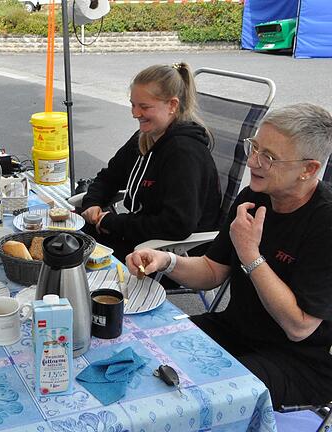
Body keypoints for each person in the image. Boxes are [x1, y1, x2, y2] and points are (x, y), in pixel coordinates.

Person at [126, 103, 332, 409]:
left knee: (198, 396)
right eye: (254, 147)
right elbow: (212, 270)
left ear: (309, 169)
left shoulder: (324, 222)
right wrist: (166, 260)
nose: (252, 161)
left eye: (269, 157)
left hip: (296, 361)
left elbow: (299, 326)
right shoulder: (254, 196)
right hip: (235, 330)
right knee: (147, 348)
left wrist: (250, 254)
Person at [78, 62, 221, 260]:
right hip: (141, 237)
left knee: (77, 256)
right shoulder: (145, 137)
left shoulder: (184, 153)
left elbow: (176, 224)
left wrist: (114, 223)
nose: (135, 114)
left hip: (174, 252)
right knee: (67, 241)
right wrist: (92, 203)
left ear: (172, 105)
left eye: (144, 107)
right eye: (133, 104)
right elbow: (109, 177)